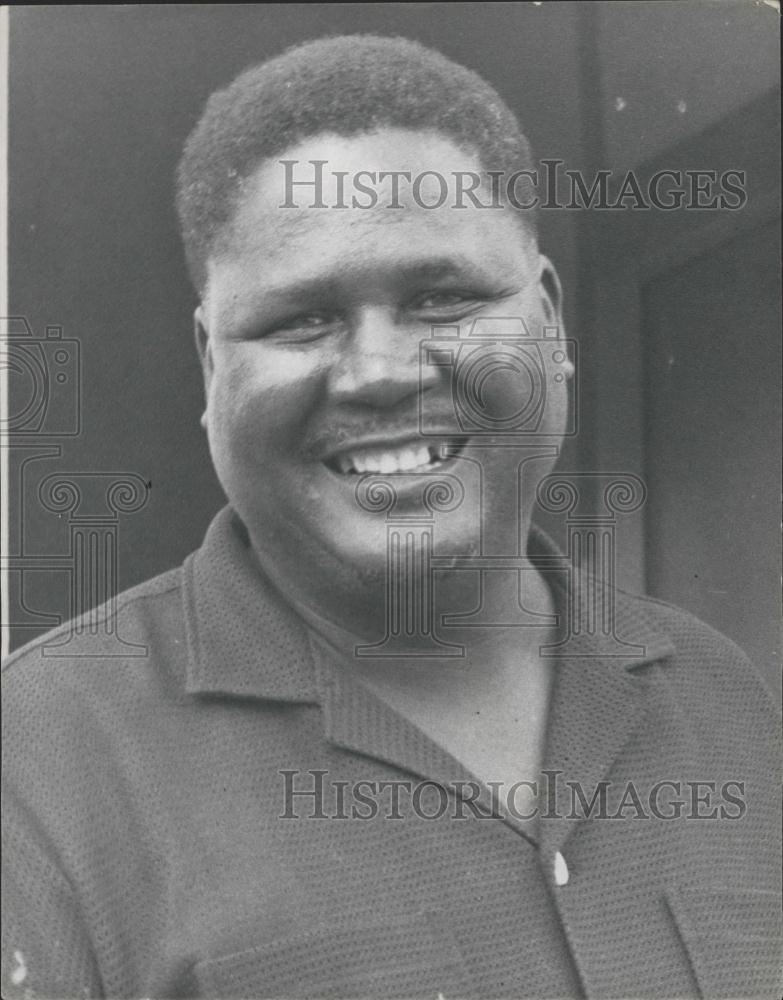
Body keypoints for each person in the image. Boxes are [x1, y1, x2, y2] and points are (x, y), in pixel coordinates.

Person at [2, 34, 780, 1000]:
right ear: (211, 367)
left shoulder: (726, 699)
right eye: (301, 319)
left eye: (443, 299)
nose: (379, 372)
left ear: (549, 321)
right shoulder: (36, 764)